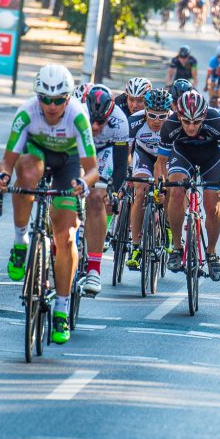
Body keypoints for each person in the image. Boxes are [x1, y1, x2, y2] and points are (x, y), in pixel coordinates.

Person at [0, 64, 100, 345]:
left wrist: (83, 184)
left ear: (68, 98)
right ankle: (20, 242)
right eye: (45, 99)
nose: (51, 106)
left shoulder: (78, 117)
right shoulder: (26, 113)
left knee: (65, 236)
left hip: (69, 163)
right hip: (37, 154)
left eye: (58, 100)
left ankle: (61, 310)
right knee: (25, 174)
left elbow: (92, 169)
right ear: (37, 97)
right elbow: (8, 161)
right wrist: (3, 175)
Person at [158, 90, 220, 280]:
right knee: (175, 191)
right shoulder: (170, 124)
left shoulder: (216, 121)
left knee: (212, 206)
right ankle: (177, 247)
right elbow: (160, 163)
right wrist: (161, 187)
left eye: (196, 122)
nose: (191, 127)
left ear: (204, 116)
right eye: (186, 122)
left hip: (211, 158)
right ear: (179, 117)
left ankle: (211, 253)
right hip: (183, 155)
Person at [83, 85, 130, 295]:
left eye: (100, 122)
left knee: (97, 198)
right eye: (92, 120)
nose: (94, 126)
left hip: (104, 152)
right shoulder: (77, 114)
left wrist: (113, 192)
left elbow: (121, 165)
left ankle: (94, 269)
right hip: (78, 149)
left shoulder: (120, 121)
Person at [125, 88, 172, 270]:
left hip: (167, 157)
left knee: (169, 189)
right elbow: (126, 152)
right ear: (145, 111)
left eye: (162, 116)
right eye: (152, 115)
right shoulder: (134, 121)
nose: (157, 121)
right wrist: (126, 173)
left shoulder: (175, 123)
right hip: (143, 155)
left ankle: (168, 226)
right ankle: (135, 245)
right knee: (140, 190)